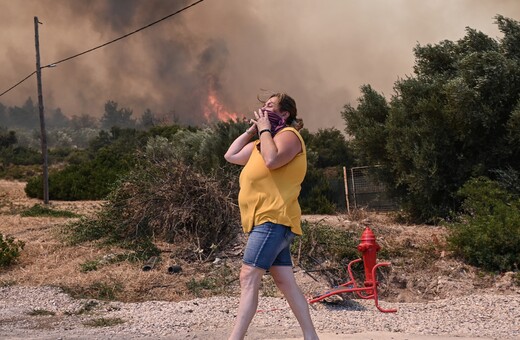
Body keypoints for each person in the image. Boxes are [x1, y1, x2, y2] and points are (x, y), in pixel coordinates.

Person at [224, 93, 319, 340]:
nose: (263, 108)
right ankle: (311, 337)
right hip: (265, 220)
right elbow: (231, 155)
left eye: (269, 105)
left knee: (248, 276)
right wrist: (253, 131)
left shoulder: (288, 136)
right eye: (263, 105)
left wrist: (266, 131)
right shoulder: (260, 143)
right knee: (285, 282)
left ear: (284, 113)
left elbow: (272, 160)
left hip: (274, 218)